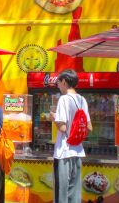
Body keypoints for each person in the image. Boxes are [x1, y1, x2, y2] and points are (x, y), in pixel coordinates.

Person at [50, 69, 92, 203]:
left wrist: (54, 118)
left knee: (61, 193)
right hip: (78, 151)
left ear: (64, 81)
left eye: (58, 82)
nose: (57, 85)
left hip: (64, 152)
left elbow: (62, 127)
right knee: (74, 193)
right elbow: (89, 127)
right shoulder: (82, 99)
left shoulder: (64, 99)